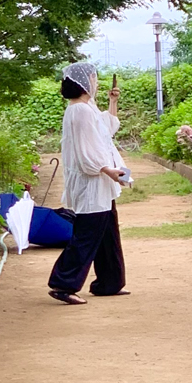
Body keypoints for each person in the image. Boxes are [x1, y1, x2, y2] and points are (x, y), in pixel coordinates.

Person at [48, 61, 129, 304]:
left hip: (100, 182)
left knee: (107, 234)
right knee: (87, 233)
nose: (96, 82)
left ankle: (109, 282)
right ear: (84, 82)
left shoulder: (85, 108)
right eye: (93, 78)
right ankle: (63, 284)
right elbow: (86, 151)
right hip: (92, 182)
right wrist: (107, 170)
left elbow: (105, 131)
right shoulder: (80, 111)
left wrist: (112, 102)